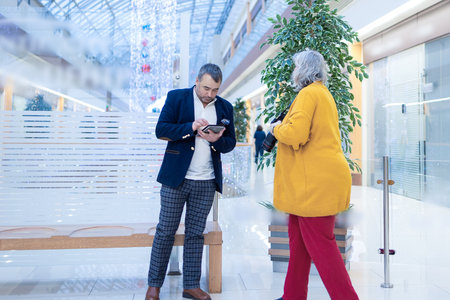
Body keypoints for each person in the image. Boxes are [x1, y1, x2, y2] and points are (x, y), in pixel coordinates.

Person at [270, 50, 359, 300]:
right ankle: (292, 296)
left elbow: (296, 134)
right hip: (311, 184)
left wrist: (276, 129)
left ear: (304, 70)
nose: (293, 71)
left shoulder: (309, 94)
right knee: (299, 245)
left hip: (314, 186)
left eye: (296, 66)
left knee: (323, 247)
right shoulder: (321, 93)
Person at [145, 63, 236, 300]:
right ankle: (154, 286)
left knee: (196, 233)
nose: (210, 94)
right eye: (206, 88)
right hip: (176, 178)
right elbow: (161, 129)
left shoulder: (225, 107)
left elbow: (230, 144)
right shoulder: (177, 98)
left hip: (206, 181)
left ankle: (191, 285)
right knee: (165, 231)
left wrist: (216, 139)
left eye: (215, 89)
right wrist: (191, 128)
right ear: (197, 81)